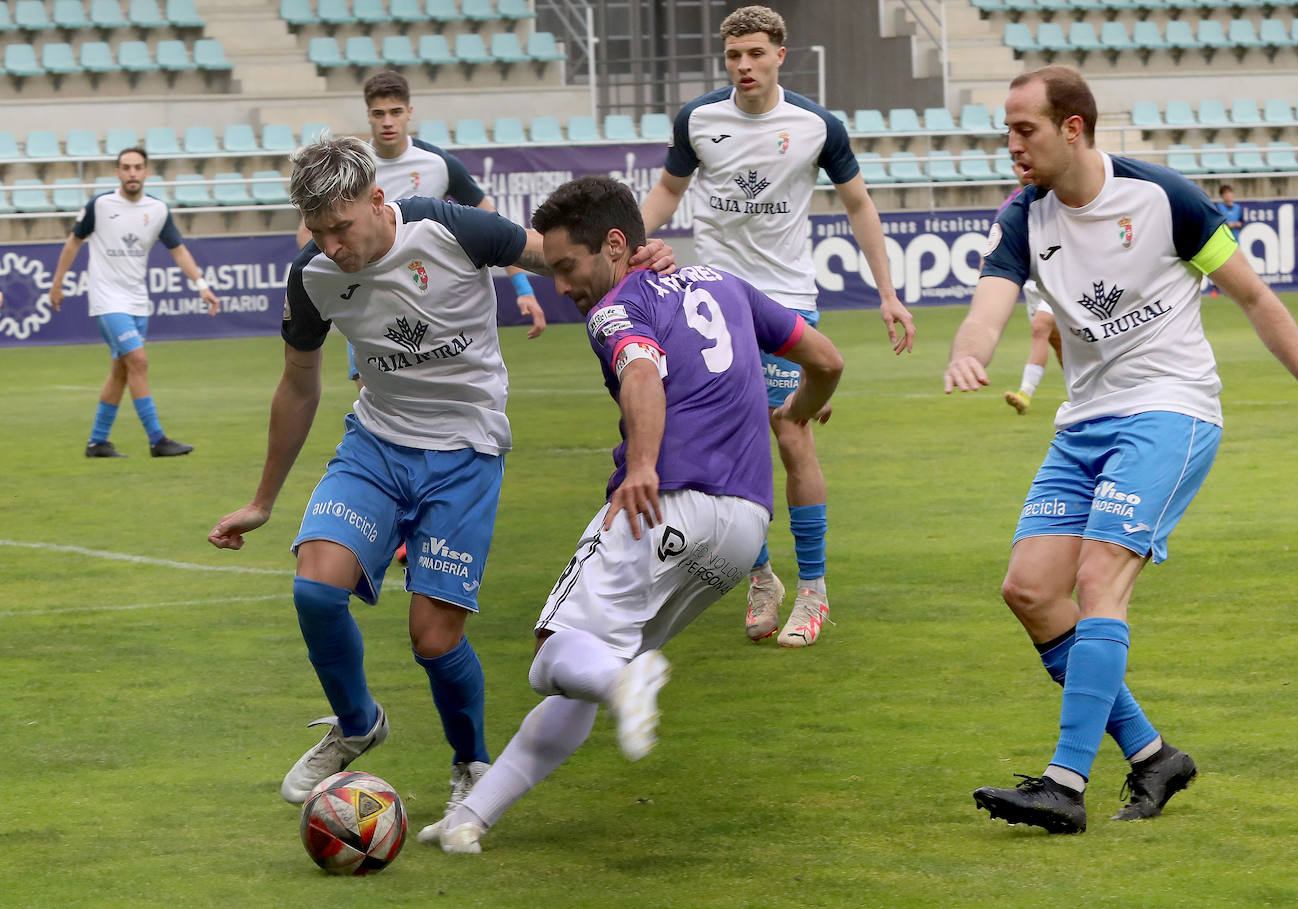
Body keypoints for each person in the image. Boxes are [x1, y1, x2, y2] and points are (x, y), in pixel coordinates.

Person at [944, 65, 1298, 835]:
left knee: (1100, 575)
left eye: (1024, 130)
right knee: (1031, 591)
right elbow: (989, 306)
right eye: (1006, 131)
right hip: (1083, 423)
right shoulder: (1024, 217)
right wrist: (967, 351)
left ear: (1073, 128)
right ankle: (1152, 754)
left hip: (1170, 410)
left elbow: (1254, 296)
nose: (1011, 146)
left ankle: (1063, 784)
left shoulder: (1160, 196)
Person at [206, 138, 673, 814]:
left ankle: (471, 762)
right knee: (314, 588)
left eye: (342, 227)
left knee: (434, 638)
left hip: (466, 453)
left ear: (376, 200)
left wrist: (634, 257)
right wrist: (262, 499)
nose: (332, 245)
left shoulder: (449, 227)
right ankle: (358, 721)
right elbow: (298, 387)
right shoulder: (312, 276)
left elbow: (559, 256)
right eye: (319, 231)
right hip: (376, 445)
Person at [415, 174, 844, 854]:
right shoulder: (725, 283)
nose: (560, 285)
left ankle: (624, 680)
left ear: (615, 245)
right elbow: (825, 357)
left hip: (663, 505)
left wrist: (643, 464)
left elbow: (642, 372)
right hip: (743, 530)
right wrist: (798, 407)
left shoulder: (617, 306)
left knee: (552, 655)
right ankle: (475, 815)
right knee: (589, 670)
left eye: (566, 267)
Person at [639, 4, 914, 647]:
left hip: (787, 301)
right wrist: (618, 245)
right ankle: (762, 577)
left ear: (779, 55)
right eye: (734, 56)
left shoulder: (817, 126)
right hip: (710, 305)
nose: (744, 67)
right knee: (719, 453)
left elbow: (859, 205)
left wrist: (888, 294)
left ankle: (814, 591)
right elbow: (667, 195)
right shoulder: (699, 120)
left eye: (755, 54)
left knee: (790, 435)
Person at [296, 71, 547, 393]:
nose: (388, 122)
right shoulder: (352, 167)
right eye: (379, 114)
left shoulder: (439, 164)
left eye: (395, 112)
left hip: (428, 295)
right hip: (368, 295)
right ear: (368, 115)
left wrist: (523, 286)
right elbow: (309, 229)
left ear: (409, 113)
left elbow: (496, 226)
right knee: (372, 391)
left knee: (435, 385)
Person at [50, 146, 221, 458]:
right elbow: (73, 242)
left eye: (137, 167)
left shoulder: (157, 210)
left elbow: (178, 250)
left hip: (138, 301)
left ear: (146, 172)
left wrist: (201, 285)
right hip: (107, 299)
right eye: (125, 167)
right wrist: (57, 282)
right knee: (139, 362)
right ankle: (157, 440)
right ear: (117, 172)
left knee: (122, 370)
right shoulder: (100, 205)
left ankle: (97, 442)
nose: (131, 173)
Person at [1000, 162, 1062, 415]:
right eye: (1019, 165)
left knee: (1040, 327)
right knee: (1058, 343)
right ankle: (1086, 396)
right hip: (1032, 283)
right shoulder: (1011, 206)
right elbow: (1001, 238)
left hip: (1057, 277)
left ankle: (1025, 393)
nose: (1024, 169)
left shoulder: (1058, 194)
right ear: (1014, 168)